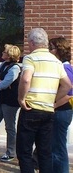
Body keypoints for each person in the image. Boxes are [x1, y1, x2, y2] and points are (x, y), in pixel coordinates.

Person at [16, 28, 71, 173]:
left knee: (24, 151)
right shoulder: (57, 61)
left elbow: (26, 79)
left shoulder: (30, 58)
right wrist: (52, 100)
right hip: (48, 111)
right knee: (45, 152)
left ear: (32, 43)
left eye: (28, 43)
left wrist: (21, 98)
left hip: (31, 109)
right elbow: (67, 86)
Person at [48, 37, 73, 173]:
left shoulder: (65, 68)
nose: (49, 51)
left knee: (58, 148)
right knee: (55, 147)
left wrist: (53, 105)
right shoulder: (62, 66)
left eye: (51, 48)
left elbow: (69, 93)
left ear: (59, 50)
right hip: (61, 111)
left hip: (61, 111)